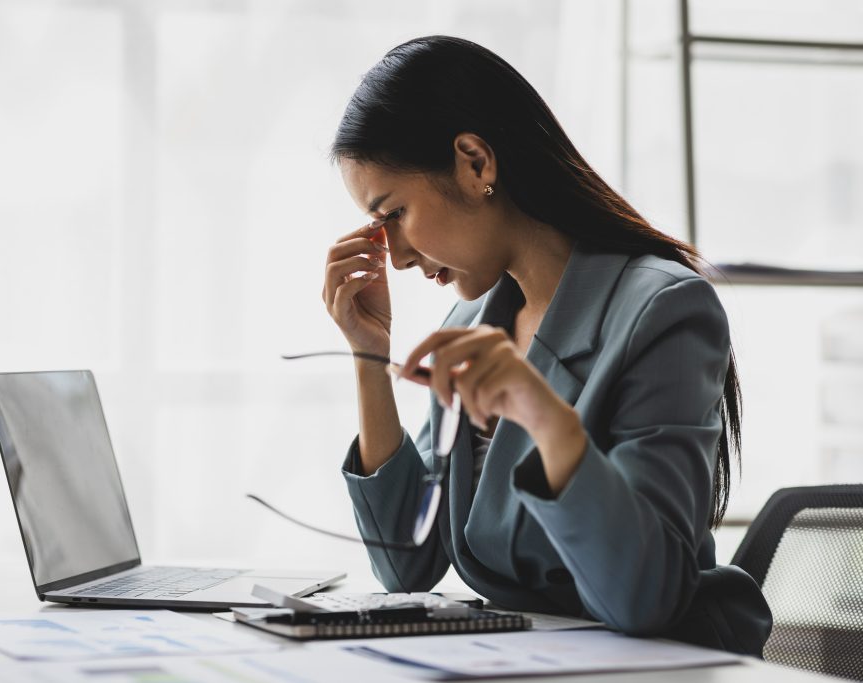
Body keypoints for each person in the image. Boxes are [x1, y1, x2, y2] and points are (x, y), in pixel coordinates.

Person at [322, 36, 772, 655]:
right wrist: (369, 353)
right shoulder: (476, 321)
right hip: (527, 657)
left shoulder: (663, 308)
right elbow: (405, 567)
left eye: (393, 213)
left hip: (652, 664)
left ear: (475, 162)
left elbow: (644, 597)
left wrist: (543, 416)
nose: (392, 257)